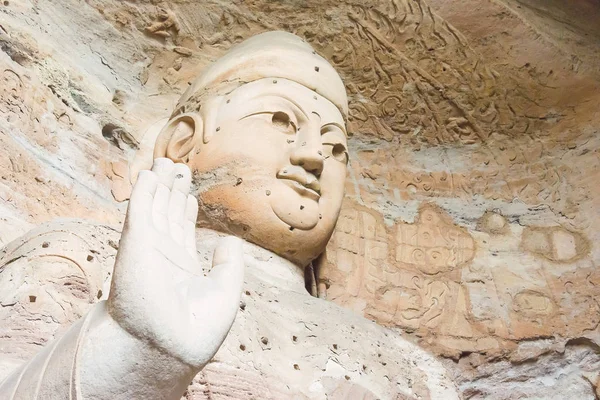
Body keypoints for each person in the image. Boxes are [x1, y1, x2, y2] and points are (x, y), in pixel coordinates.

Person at [0, 31, 458, 399]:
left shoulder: (413, 371)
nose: (314, 156)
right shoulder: (77, 258)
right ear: (182, 142)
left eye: (335, 147)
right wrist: (134, 354)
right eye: (282, 121)